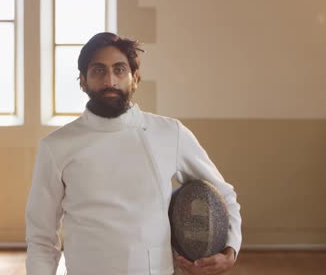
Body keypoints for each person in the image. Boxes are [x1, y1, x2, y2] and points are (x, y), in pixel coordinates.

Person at [25, 32, 242, 275]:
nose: (110, 80)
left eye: (119, 70)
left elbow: (223, 193)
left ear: (135, 78)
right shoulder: (56, 146)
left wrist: (230, 249)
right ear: (83, 81)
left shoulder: (170, 133)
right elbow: (42, 238)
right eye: (98, 70)